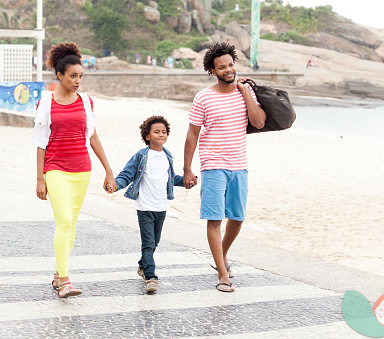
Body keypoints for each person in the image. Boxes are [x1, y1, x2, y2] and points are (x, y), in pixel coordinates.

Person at [33, 42, 116, 298]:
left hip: (82, 170)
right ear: (59, 75)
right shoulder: (46, 103)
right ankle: (66, 281)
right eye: (73, 76)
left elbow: (93, 138)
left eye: (81, 76)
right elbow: (40, 142)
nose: (78, 81)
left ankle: (59, 275)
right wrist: (40, 179)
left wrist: (109, 171)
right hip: (55, 169)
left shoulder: (86, 102)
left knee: (71, 224)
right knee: (65, 222)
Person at [183, 42, 266, 292]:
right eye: (222, 67)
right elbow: (192, 135)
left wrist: (246, 93)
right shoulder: (203, 98)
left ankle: (222, 255)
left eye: (231, 65)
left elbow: (259, 123)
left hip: (239, 166)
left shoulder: (244, 93)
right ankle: (222, 273)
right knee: (214, 219)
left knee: (237, 219)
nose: (228, 70)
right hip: (213, 165)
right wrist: (187, 169)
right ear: (212, 70)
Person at [112, 116, 190, 293]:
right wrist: (115, 184)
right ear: (147, 136)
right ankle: (150, 276)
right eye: (156, 132)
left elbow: (170, 179)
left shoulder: (167, 156)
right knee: (148, 243)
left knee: (155, 242)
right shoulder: (141, 156)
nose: (161, 135)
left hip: (161, 206)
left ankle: (142, 265)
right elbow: (127, 174)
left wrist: (186, 181)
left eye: (164, 132)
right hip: (145, 207)